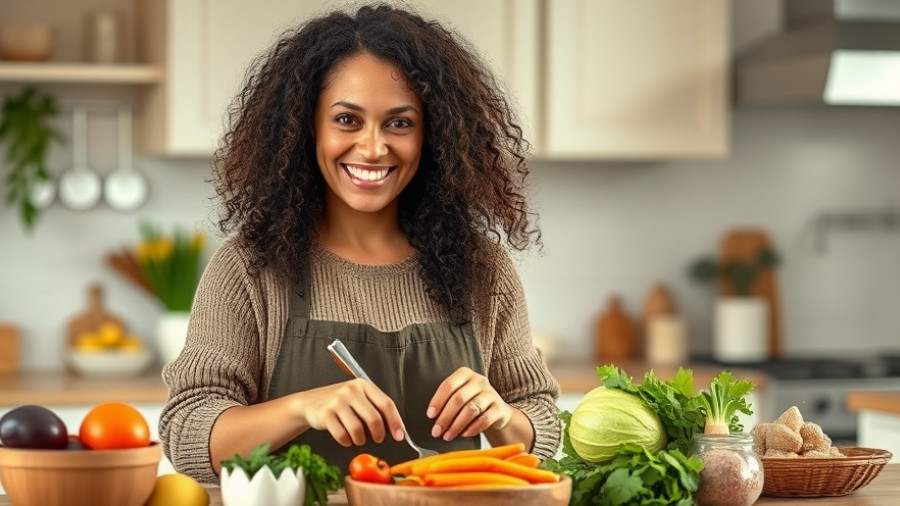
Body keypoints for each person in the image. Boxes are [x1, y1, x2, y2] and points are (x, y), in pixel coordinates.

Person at [159, 2, 560, 483]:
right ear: (307, 128)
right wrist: (304, 407)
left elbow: (541, 422)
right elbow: (187, 436)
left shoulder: (483, 269)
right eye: (347, 120)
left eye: (400, 122)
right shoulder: (249, 268)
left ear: (432, 136)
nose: (373, 147)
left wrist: (502, 419)